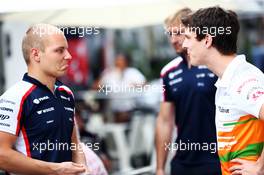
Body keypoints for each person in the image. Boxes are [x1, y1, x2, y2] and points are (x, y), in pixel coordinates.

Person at [182, 6, 264, 175]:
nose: (184, 44)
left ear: (207, 40)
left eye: (188, 38)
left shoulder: (243, 79)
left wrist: (260, 167)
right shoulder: (229, 77)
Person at [0, 24, 89, 175]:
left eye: (66, 49)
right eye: (59, 50)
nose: (69, 56)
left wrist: (83, 169)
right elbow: (1, 155)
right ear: (36, 55)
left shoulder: (66, 93)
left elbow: (74, 143)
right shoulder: (14, 97)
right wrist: (56, 169)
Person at [155, 8, 221, 175]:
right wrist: (160, 168)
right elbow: (164, 121)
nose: (173, 40)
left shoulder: (216, 65)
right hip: (182, 163)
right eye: (169, 34)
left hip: (217, 161)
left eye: (178, 33)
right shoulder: (168, 72)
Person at [99, 53, 146, 122]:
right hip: (114, 108)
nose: (119, 62)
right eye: (117, 60)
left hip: (130, 107)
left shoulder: (133, 72)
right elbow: (98, 85)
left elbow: (144, 84)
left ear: (126, 62)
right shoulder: (109, 73)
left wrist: (135, 86)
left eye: (121, 60)